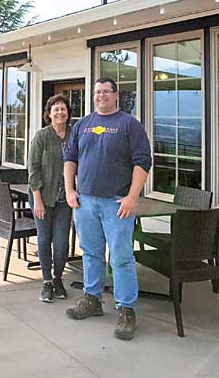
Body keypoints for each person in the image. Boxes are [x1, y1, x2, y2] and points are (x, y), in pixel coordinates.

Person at [63, 77, 152, 341]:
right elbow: (69, 158)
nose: (100, 96)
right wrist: (70, 190)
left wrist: (132, 196)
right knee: (90, 253)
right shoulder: (83, 124)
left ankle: (126, 310)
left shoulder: (129, 125)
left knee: (121, 257)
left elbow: (142, 161)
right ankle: (92, 299)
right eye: (96, 92)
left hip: (117, 204)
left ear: (116, 95)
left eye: (105, 92)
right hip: (85, 201)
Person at [27, 94, 73, 303]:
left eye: (63, 109)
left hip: (65, 199)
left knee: (62, 243)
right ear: (49, 114)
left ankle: (58, 279)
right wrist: (37, 199)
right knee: (44, 240)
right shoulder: (42, 136)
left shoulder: (74, 135)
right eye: (56, 109)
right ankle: (46, 282)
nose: (60, 112)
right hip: (42, 197)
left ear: (68, 113)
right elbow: (33, 169)